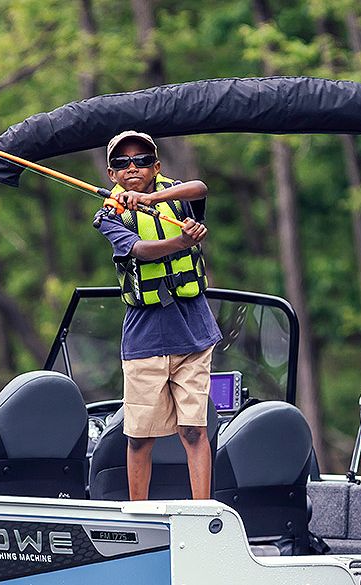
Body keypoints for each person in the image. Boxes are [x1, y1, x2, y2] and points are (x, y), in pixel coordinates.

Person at [91, 131, 221, 501]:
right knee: (139, 436)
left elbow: (200, 186)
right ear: (111, 174)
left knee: (194, 431)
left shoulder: (177, 198)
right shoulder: (108, 216)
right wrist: (182, 243)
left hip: (194, 334)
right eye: (121, 163)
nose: (132, 168)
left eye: (142, 160)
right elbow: (140, 250)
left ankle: (202, 513)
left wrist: (151, 198)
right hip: (144, 338)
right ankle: (139, 517)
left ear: (156, 166)